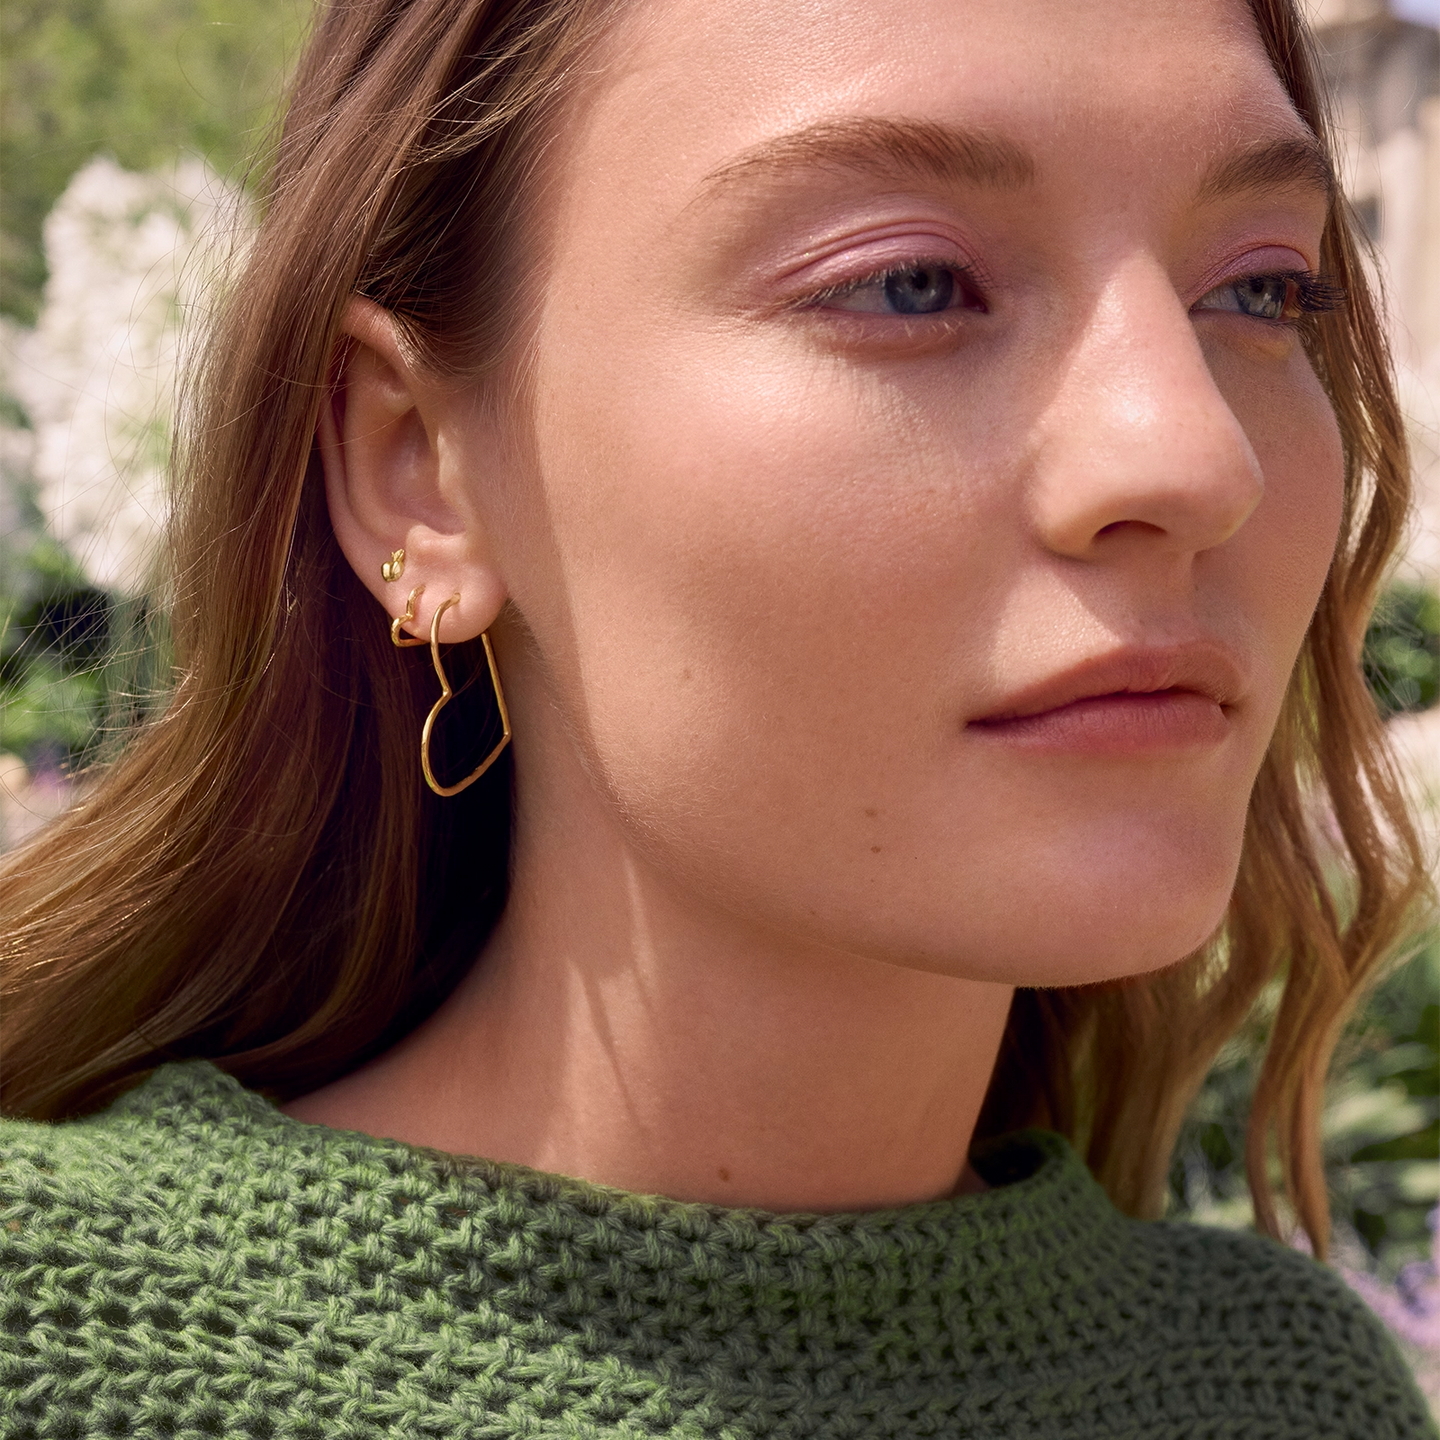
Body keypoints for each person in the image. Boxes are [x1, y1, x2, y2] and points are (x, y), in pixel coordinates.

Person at [0, 0, 1433, 1432]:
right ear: (417, 467)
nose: (1196, 457)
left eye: (1264, 290)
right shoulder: (60, 1343)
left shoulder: (1289, 1401)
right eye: (911, 284)